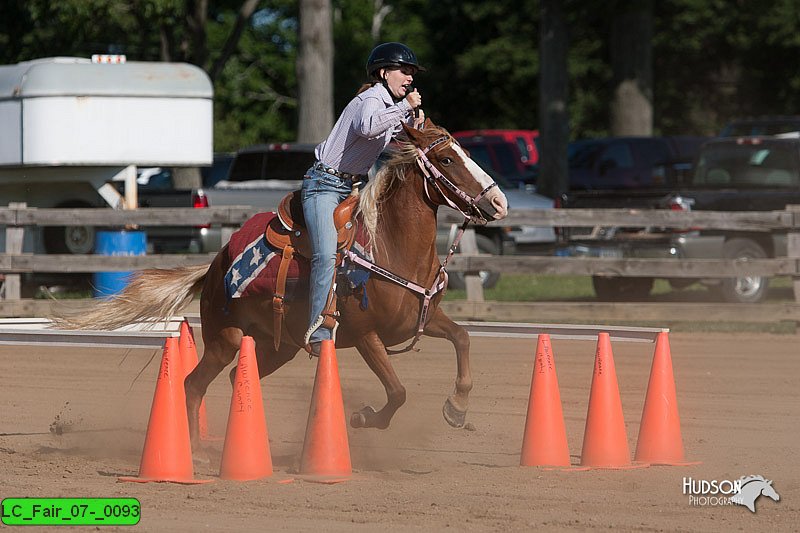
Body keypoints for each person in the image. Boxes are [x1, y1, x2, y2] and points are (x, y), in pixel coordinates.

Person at [302, 42, 426, 355]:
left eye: (412, 72)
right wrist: (404, 108)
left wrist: (416, 124)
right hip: (324, 186)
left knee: (372, 251)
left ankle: (363, 316)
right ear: (383, 73)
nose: (409, 76)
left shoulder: (389, 105)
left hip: (352, 188)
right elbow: (368, 127)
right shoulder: (372, 98)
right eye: (404, 70)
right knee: (326, 255)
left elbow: (398, 140)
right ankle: (319, 331)